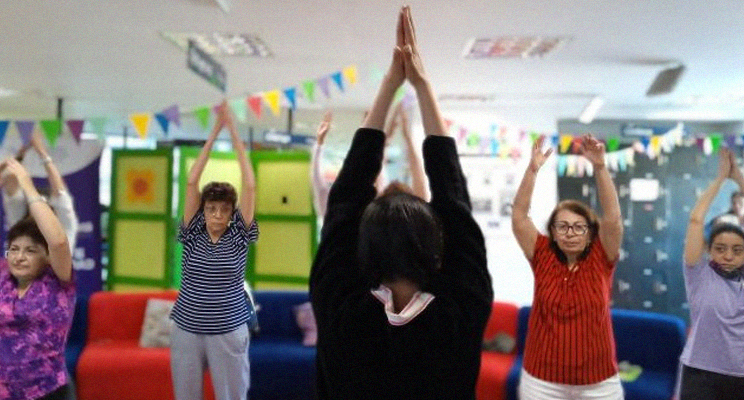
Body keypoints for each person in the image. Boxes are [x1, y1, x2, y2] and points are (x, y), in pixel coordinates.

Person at [309, 6, 493, 399]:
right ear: (437, 251)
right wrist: (421, 85)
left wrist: (390, 85)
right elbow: (456, 208)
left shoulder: (342, 312)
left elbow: (342, 205)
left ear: (364, 251)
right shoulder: (458, 314)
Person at [511, 134, 624, 398]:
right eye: (562, 226)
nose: (570, 233)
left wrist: (600, 167)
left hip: (598, 381)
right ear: (552, 231)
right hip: (541, 381)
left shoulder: (601, 256)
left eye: (578, 227)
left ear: (589, 232)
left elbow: (613, 218)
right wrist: (532, 169)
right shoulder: (542, 254)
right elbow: (519, 216)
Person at [169, 102, 259, 400]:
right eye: (211, 208)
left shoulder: (239, 235)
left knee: (233, 397)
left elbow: (249, 184)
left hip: (228, 328)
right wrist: (214, 132)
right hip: (186, 328)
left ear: (232, 213)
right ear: (203, 211)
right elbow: (193, 180)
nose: (217, 215)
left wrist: (233, 132)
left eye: (224, 209)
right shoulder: (192, 231)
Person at [0, 158, 74, 400]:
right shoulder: (3, 276)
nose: (19, 258)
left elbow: (59, 242)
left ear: (47, 257)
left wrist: (27, 184)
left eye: (30, 251)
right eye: (14, 249)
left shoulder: (57, 280)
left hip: (48, 391)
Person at [679, 147, 744, 399]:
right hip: (701, 374)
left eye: (737, 250)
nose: (728, 256)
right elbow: (696, 220)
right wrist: (719, 180)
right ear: (710, 251)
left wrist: (737, 176)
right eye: (721, 249)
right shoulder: (700, 274)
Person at [311, 103, 428, 217]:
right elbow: (420, 185)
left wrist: (319, 145)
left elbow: (319, 185)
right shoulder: (380, 214)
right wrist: (404, 137)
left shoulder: (369, 215)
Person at [0, 131, 79, 252]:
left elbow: (60, 192)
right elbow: (11, 180)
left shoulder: (63, 232)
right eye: (36, 210)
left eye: (45, 211)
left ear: (55, 215)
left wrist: (43, 153)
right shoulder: (19, 225)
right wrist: (20, 155)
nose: (40, 215)